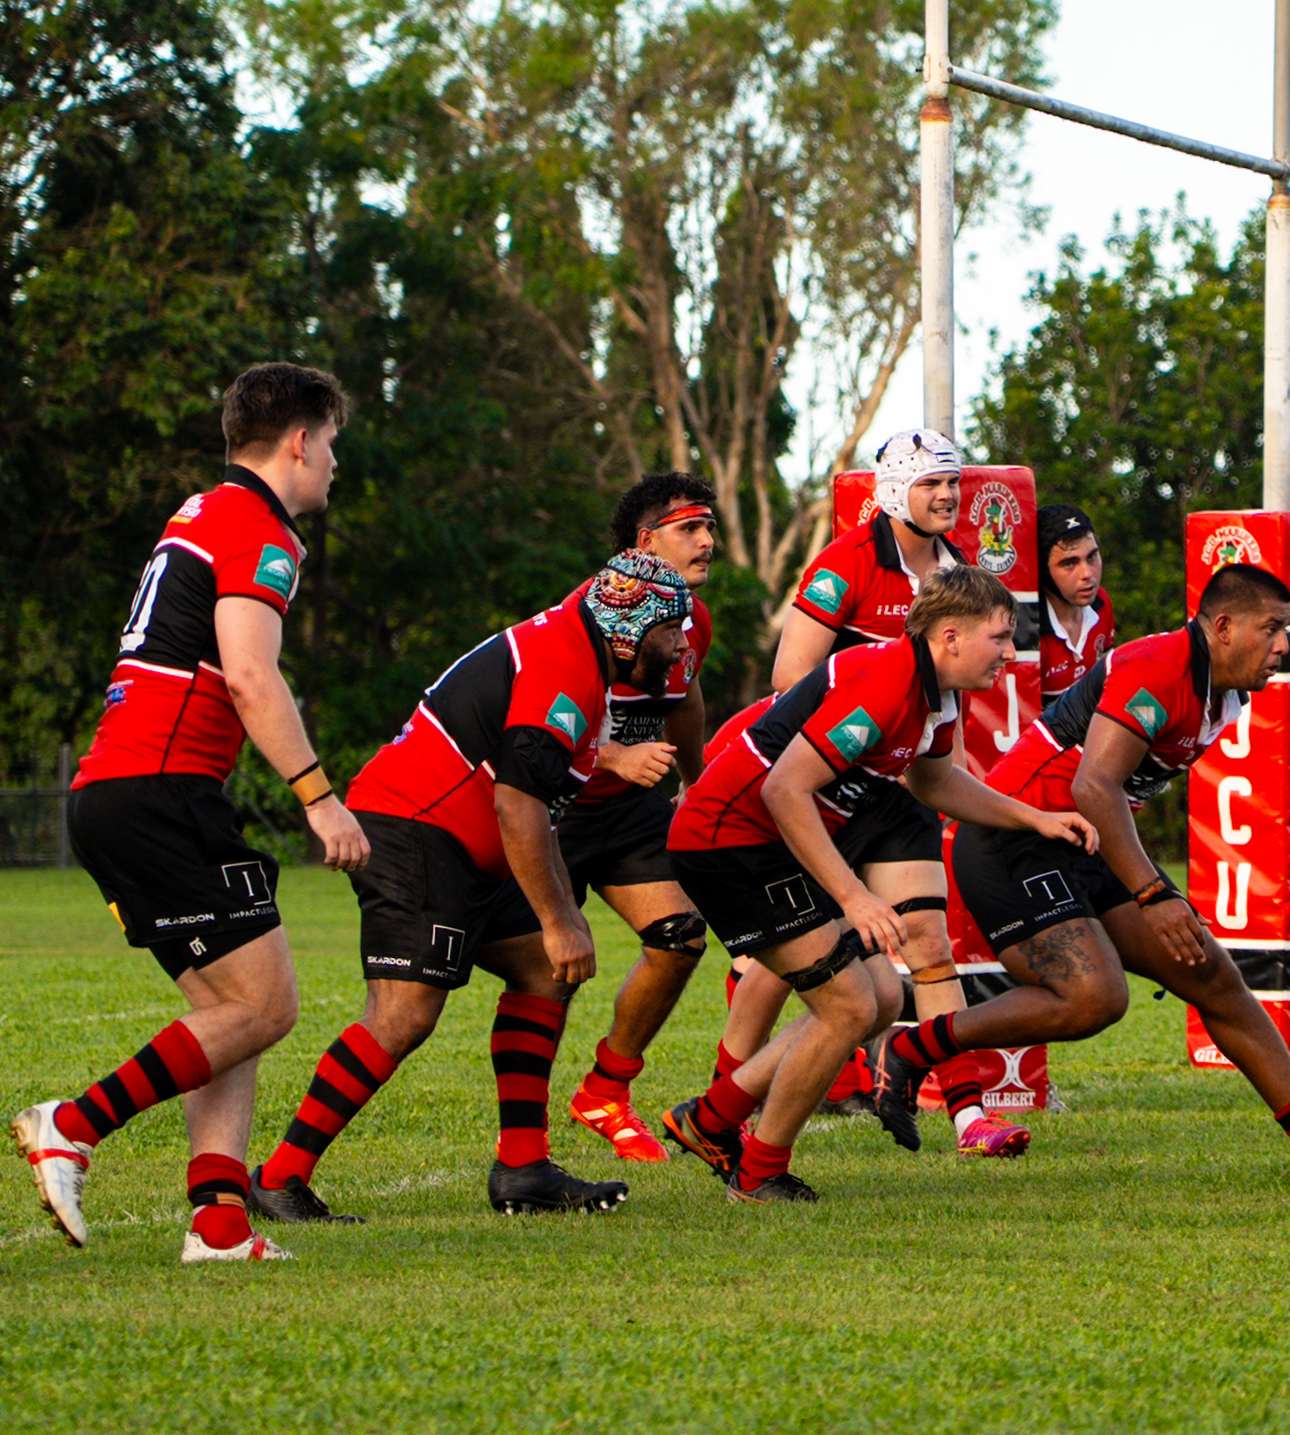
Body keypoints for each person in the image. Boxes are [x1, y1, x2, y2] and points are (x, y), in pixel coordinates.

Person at [876, 562, 1290, 1181]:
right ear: (1224, 627)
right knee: (1096, 999)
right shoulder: (1159, 667)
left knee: (1213, 975)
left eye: (1288, 631)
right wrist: (1152, 892)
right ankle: (914, 1046)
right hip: (1016, 841)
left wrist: (1150, 889)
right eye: (1272, 629)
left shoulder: (1229, 690)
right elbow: (1094, 785)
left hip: (1086, 842)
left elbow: (1108, 800)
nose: (1283, 647)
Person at [11, 362, 369, 1267]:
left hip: (122, 790)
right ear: (300, 442)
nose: (335, 463)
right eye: (332, 444)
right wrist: (321, 798)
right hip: (161, 790)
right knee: (267, 1006)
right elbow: (250, 673)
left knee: (231, 1008)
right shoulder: (261, 529)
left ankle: (219, 1226)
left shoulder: (200, 511)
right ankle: (73, 1124)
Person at [249, 556, 687, 1223]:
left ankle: (523, 1168)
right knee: (404, 1013)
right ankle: (281, 1177)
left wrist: (559, 918)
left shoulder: (582, 649)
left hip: (455, 837)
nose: (682, 644)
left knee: (542, 971)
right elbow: (517, 804)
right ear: (628, 631)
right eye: (670, 629)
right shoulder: (565, 665)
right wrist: (558, 918)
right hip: (417, 830)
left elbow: (533, 802)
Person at [657, 566, 1092, 1202]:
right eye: (999, 637)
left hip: (767, 844)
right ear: (949, 636)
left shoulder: (937, 692)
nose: (1010, 651)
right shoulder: (887, 681)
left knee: (883, 998)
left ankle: (711, 1117)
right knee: (850, 1008)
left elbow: (935, 782)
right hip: (730, 844)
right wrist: (853, 897)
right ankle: (758, 1173)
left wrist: (1035, 818)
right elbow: (784, 788)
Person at [739, 426, 1023, 1155]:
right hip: (822, 784)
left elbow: (945, 710)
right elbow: (789, 679)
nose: (949, 496)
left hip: (899, 786)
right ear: (895, 490)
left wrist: (946, 774)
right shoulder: (846, 564)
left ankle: (968, 1116)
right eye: (932, 484)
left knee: (928, 939)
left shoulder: (959, 568)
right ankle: (724, 1100)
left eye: (953, 482)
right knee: (785, 958)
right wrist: (870, 731)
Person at [557, 472, 722, 1162]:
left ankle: (605, 1091)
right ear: (645, 541)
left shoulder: (692, 619)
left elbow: (685, 701)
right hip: (554, 808)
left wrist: (698, 785)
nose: (708, 542)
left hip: (626, 812)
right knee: (549, 971)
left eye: (709, 528)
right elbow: (530, 725)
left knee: (681, 936)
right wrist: (614, 755)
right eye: (692, 529)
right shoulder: (584, 613)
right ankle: (523, 1140)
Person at [1032, 503, 1115, 704]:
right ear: (1044, 570)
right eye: (1069, 563)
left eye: (1092, 556)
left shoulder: (1101, 603)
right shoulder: (1029, 631)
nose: (1087, 574)